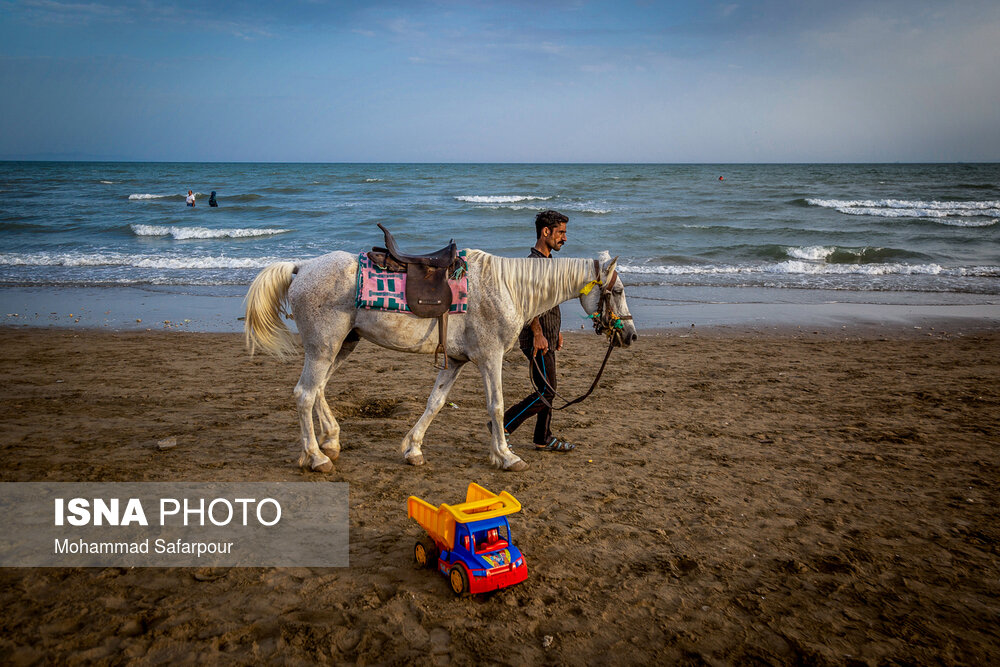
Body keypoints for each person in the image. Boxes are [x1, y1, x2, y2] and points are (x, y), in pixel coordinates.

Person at [499, 209, 576, 452]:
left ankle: (542, 437)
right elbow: (527, 304)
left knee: (549, 389)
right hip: (535, 338)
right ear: (546, 232)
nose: (564, 238)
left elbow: (548, 303)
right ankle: (503, 426)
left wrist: (556, 332)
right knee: (546, 390)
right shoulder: (532, 264)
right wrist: (539, 334)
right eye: (560, 233)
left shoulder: (547, 262)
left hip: (548, 335)